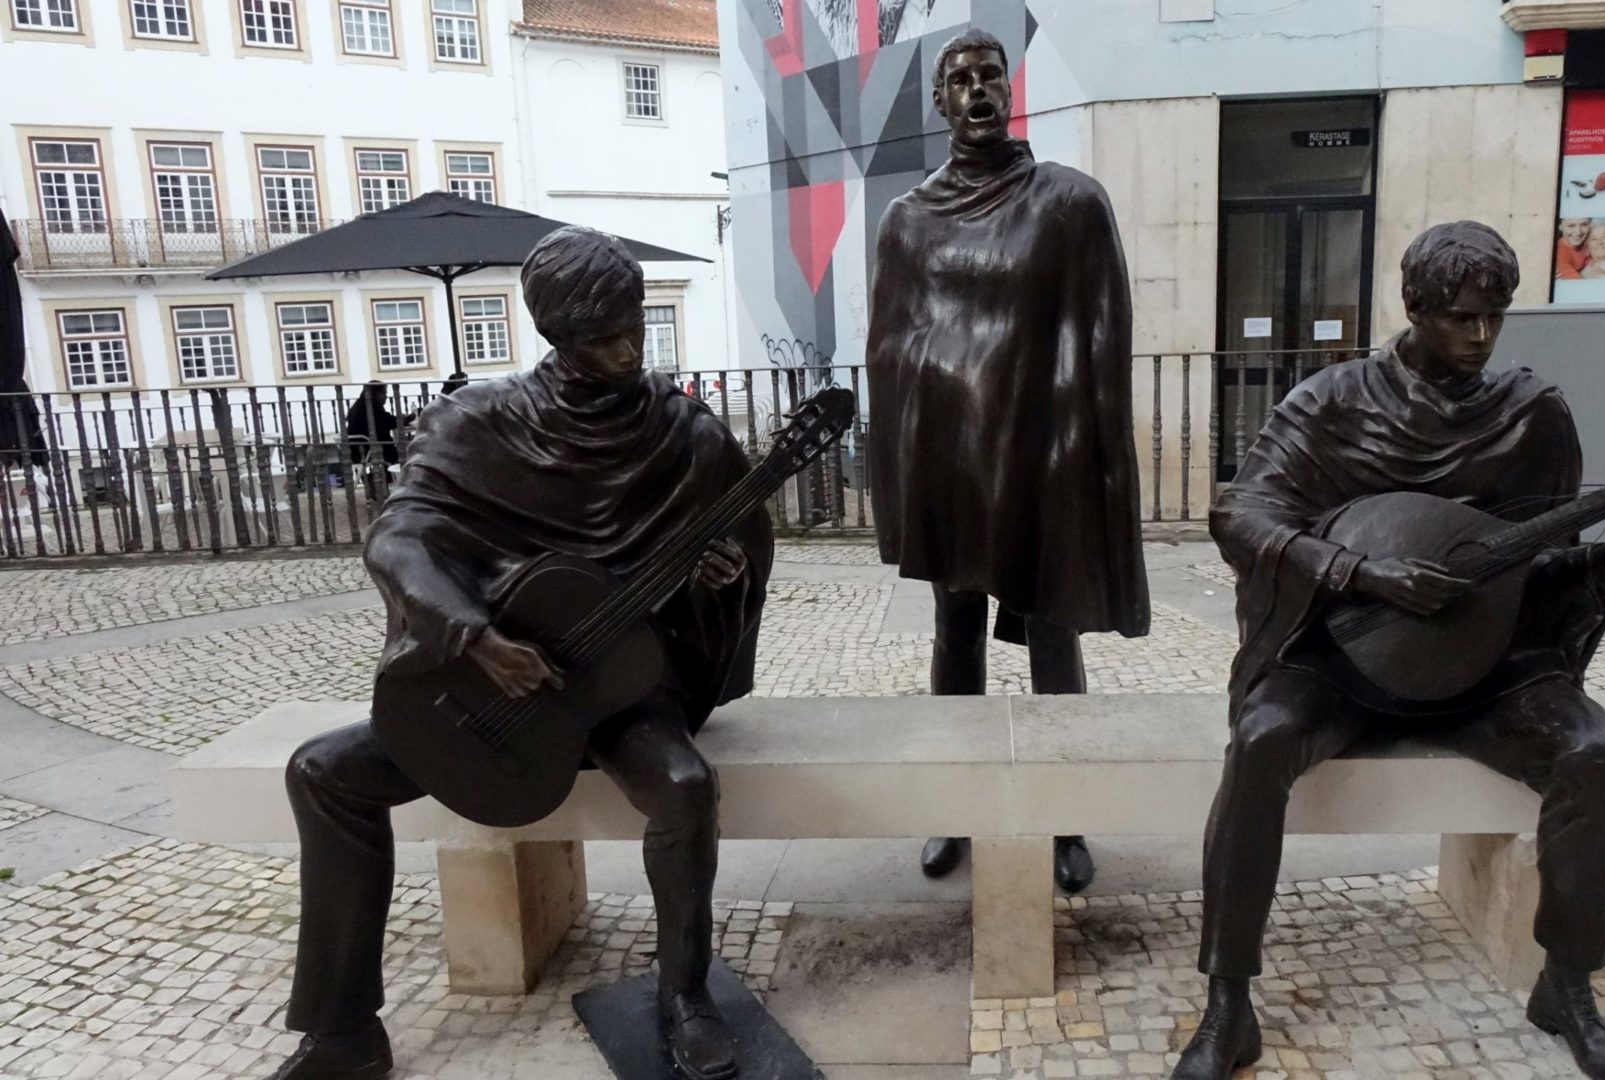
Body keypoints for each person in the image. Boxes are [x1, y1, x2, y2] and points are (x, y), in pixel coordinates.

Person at [267, 226, 772, 1080]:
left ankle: (684, 996)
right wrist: (474, 635)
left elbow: (741, 550)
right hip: (496, 686)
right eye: (601, 335)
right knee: (322, 773)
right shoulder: (479, 424)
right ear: (555, 335)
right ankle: (345, 1031)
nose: (625, 349)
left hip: (620, 686)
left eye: (633, 326)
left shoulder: (684, 432)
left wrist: (718, 576)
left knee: (686, 787)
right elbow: (401, 539)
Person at [1170, 222, 1605, 1080]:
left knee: (1598, 750)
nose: (1479, 336)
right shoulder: (1334, 402)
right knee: (1259, 742)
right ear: (1417, 308)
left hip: (1491, 664)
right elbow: (1240, 514)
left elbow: (1545, 570)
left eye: (1494, 318)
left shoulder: (1531, 414)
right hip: (1343, 660)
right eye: (1461, 318)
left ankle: (1569, 987)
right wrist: (1360, 574)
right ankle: (1229, 1004)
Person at [866, 26, 1150, 894]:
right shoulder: (907, 221)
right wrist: (902, 481)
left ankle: (1065, 814)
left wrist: (1092, 462)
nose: (979, 90)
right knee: (954, 639)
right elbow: (889, 347)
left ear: (1010, 88)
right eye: (961, 79)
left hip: (1038, 458)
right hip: (949, 461)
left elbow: (1102, 338)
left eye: (992, 75)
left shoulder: (1068, 203)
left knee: (1053, 635)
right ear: (942, 102)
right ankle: (956, 805)